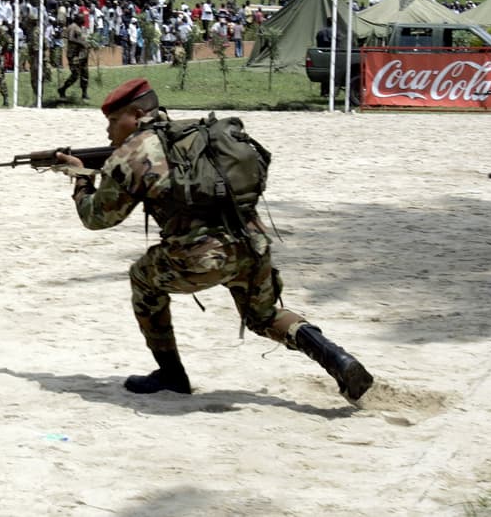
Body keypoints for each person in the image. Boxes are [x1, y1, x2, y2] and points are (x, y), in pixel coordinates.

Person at [56, 78, 373, 400]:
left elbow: (97, 218)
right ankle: (337, 358)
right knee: (263, 317)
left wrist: (82, 180)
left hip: (202, 256)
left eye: (113, 120)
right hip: (251, 243)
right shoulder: (195, 132)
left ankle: (171, 374)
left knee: (142, 278)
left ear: (136, 115)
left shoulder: (130, 155)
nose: (109, 131)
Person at [58, 13, 90, 101]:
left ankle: (84, 93)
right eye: (82, 18)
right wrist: (82, 43)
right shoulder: (73, 27)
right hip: (74, 55)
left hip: (82, 54)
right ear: (78, 19)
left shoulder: (80, 27)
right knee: (75, 75)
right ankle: (62, 89)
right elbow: (71, 38)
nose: (84, 20)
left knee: (85, 73)